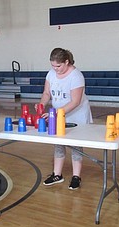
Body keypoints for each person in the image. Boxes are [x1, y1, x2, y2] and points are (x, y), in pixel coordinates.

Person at [36, 47, 93, 190]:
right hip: (59, 114)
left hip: (76, 115)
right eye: (53, 66)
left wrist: (56, 113)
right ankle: (57, 174)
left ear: (66, 62)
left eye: (58, 66)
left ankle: (76, 176)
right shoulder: (51, 74)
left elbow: (75, 101)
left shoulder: (76, 76)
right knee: (58, 143)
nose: (55, 69)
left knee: (75, 146)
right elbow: (47, 93)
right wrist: (42, 103)